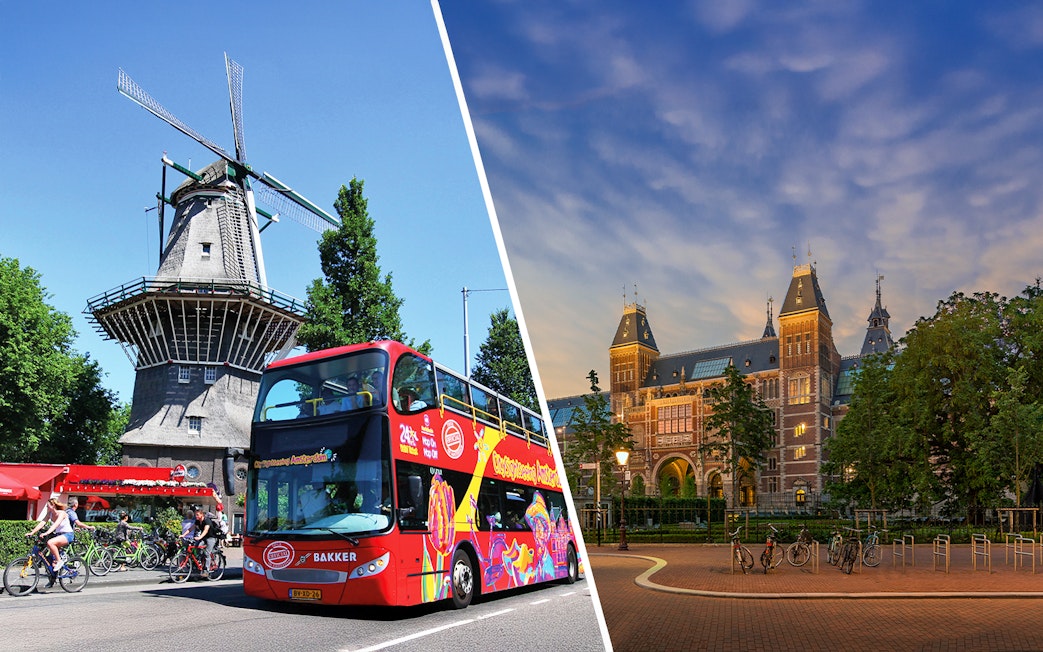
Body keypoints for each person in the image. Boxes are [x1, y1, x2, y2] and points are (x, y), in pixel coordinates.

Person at [26, 497, 74, 574]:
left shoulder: (62, 513)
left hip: (67, 535)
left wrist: (46, 533)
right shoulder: (50, 514)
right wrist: (32, 532)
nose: (47, 507)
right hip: (58, 535)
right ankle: (52, 579)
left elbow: (55, 525)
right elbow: (42, 523)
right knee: (50, 559)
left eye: (48, 506)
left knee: (50, 542)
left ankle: (59, 561)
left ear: (53, 505)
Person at [193, 508, 220, 573]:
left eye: (197, 515)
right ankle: (200, 564)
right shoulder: (198, 521)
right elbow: (191, 528)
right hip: (204, 538)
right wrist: (184, 535)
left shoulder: (207, 521)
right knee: (197, 547)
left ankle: (206, 570)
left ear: (202, 514)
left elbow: (206, 530)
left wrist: (199, 537)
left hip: (211, 538)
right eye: (195, 515)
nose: (196, 516)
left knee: (207, 553)